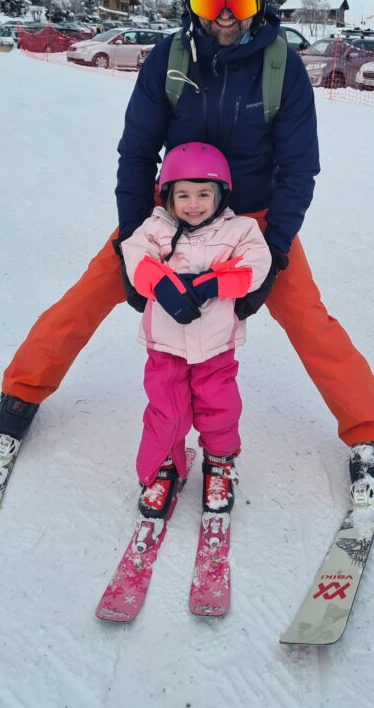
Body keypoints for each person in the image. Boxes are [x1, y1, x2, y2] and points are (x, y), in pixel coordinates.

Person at [0, 0, 374, 500]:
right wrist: (135, 240)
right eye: (211, 0)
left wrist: (274, 250)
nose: (226, 14)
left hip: (250, 222)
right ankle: (20, 395)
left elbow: (299, 170)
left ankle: (371, 433)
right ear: (190, 2)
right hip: (169, 216)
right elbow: (136, 154)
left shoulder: (282, 69)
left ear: (259, 0)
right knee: (87, 294)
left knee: (308, 319)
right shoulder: (169, 60)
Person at [120, 141, 271, 518]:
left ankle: (219, 462)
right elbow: (134, 254)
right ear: (168, 196)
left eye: (204, 194)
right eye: (183, 195)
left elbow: (258, 262)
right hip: (165, 345)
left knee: (219, 407)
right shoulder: (155, 229)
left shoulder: (239, 229)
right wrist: (163, 285)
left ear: (220, 195)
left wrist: (215, 283)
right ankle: (163, 469)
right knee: (166, 410)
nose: (193, 204)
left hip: (216, 346)